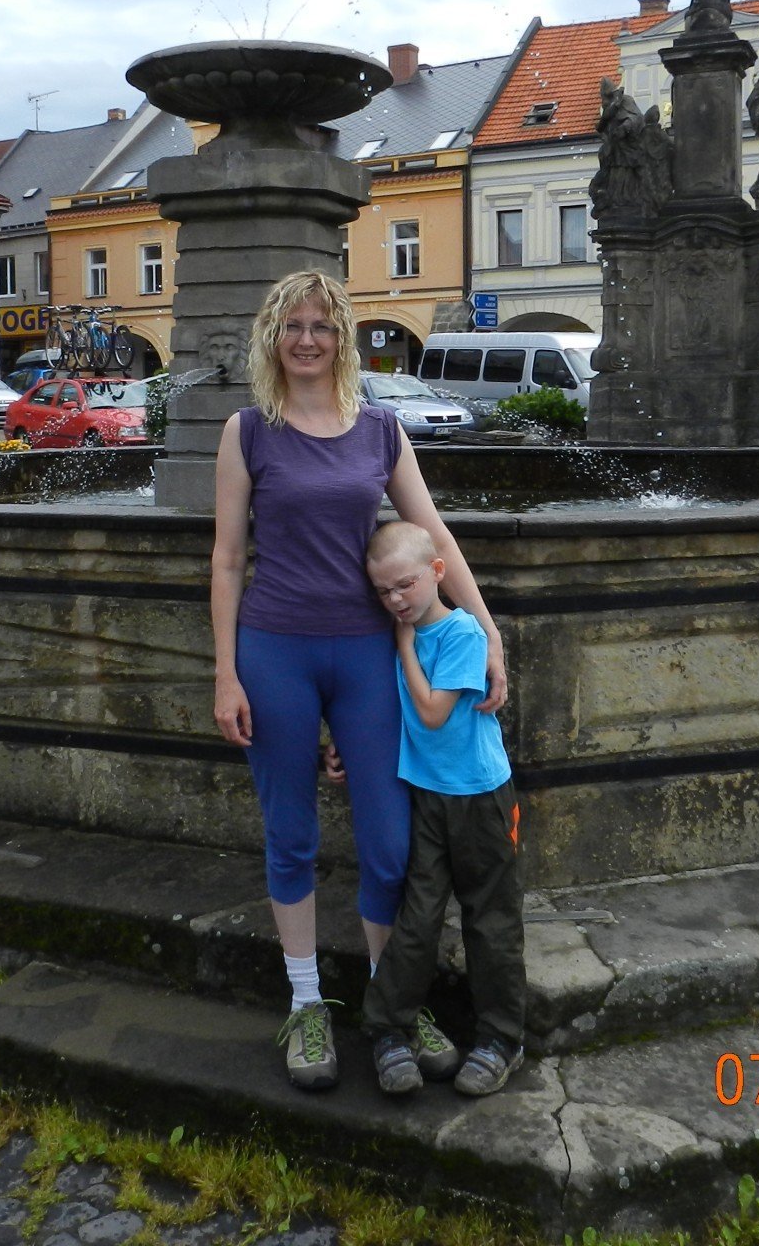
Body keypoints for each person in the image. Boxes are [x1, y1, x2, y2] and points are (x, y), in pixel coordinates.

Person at [211, 270, 507, 1091]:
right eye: (293, 325)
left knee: (388, 843)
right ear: (273, 337)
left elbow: (434, 533)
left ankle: (392, 1001)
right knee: (291, 834)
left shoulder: (379, 430)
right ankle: (307, 1005)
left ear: (343, 337)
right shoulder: (247, 431)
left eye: (322, 325)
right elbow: (228, 558)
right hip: (275, 650)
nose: (307, 339)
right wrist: (225, 674)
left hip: (370, 656)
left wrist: (486, 634)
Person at [358, 520, 525, 1098]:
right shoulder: (403, 627)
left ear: (436, 573)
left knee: (490, 916)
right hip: (427, 793)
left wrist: (404, 646)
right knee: (418, 914)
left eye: (404, 585)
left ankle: (501, 1037)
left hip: (479, 796)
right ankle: (386, 1029)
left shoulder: (462, 635)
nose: (395, 600)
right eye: (383, 592)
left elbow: (431, 713)